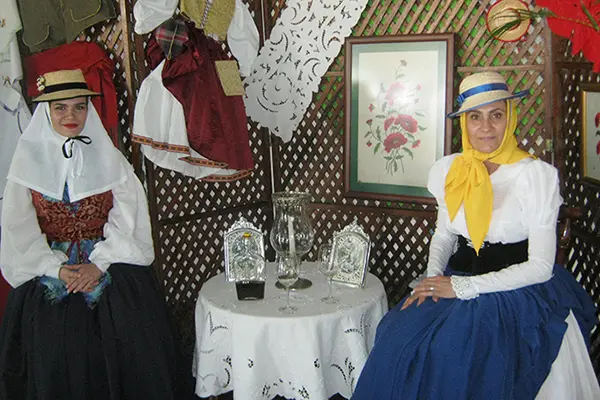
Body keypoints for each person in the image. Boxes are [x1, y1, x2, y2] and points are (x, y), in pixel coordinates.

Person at [352, 72, 600, 399]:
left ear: (510, 118)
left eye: (496, 115)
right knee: (396, 334)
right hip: (457, 274)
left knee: (459, 355)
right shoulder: (451, 169)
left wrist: (461, 287)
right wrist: (432, 279)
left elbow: (540, 267)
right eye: (475, 117)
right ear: (464, 123)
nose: (486, 127)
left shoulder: (535, 176)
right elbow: (444, 235)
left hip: (517, 287)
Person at [0, 69, 182, 399]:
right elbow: (18, 228)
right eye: (60, 107)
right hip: (50, 267)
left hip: (110, 261)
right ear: (46, 112)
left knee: (130, 346)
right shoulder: (26, 164)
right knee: (56, 351)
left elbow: (129, 217)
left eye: (79, 106)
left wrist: (99, 263)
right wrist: (55, 268)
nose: (71, 115)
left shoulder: (110, 158)